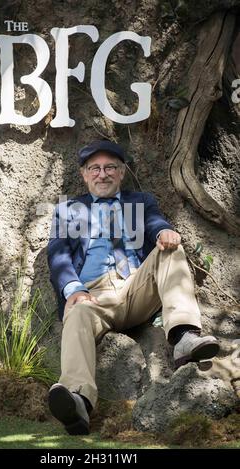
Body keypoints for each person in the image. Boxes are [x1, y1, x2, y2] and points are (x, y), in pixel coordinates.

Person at [47, 140, 219, 435]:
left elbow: (155, 223)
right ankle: (78, 401)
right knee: (75, 313)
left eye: (110, 167)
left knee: (171, 249)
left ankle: (184, 336)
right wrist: (73, 289)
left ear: (122, 172)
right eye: (95, 169)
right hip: (93, 296)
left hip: (134, 286)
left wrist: (164, 231)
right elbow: (58, 253)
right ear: (85, 175)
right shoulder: (68, 210)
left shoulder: (140, 202)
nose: (103, 174)